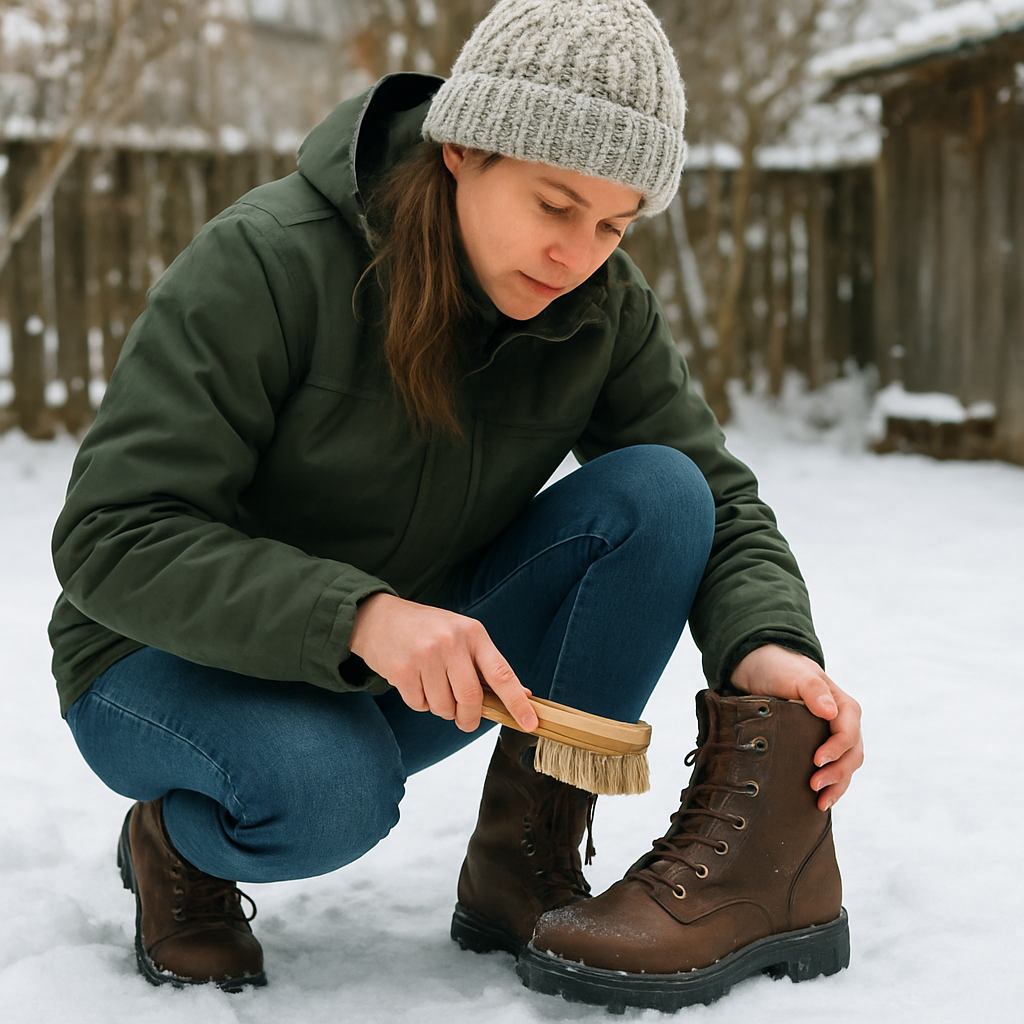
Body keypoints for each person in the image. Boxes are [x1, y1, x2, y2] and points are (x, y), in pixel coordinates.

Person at [49, 0, 863, 1009]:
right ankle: (173, 842)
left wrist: (769, 645)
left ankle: (522, 862)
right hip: (154, 660)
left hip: (405, 659)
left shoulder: (599, 309)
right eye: (555, 205)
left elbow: (716, 496)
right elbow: (109, 537)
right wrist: (358, 616)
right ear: (463, 149)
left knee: (659, 492)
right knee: (323, 794)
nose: (580, 253)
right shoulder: (266, 261)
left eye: (614, 224)